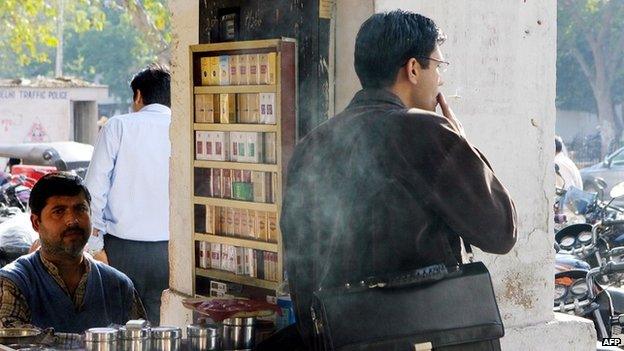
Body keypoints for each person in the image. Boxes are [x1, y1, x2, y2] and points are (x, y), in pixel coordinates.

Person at [279, 10, 517, 350]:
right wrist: (462, 143)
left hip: (343, 337)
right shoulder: (427, 133)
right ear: (413, 69)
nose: (441, 80)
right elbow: (501, 231)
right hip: (428, 335)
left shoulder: (312, 145)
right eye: (438, 66)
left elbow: (300, 261)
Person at [0, 173, 146, 332]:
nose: (72, 220)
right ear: (36, 223)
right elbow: (9, 341)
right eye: (59, 211)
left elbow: (141, 341)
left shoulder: (119, 285)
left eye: (80, 209)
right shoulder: (13, 283)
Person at [84, 63, 171, 325]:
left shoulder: (118, 126)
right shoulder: (184, 128)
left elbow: (93, 191)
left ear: (138, 96)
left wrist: (95, 246)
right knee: (161, 327)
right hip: (170, 252)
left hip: (121, 250)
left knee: (119, 325)